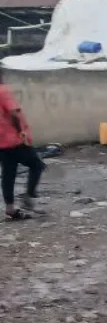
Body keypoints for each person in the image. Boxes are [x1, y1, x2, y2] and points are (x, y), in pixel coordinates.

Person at [0, 71, 44, 221]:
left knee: (8, 173)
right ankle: (29, 196)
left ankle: (10, 208)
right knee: (37, 165)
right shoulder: (3, 90)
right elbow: (13, 113)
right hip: (14, 139)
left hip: (2, 142)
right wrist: (20, 132)